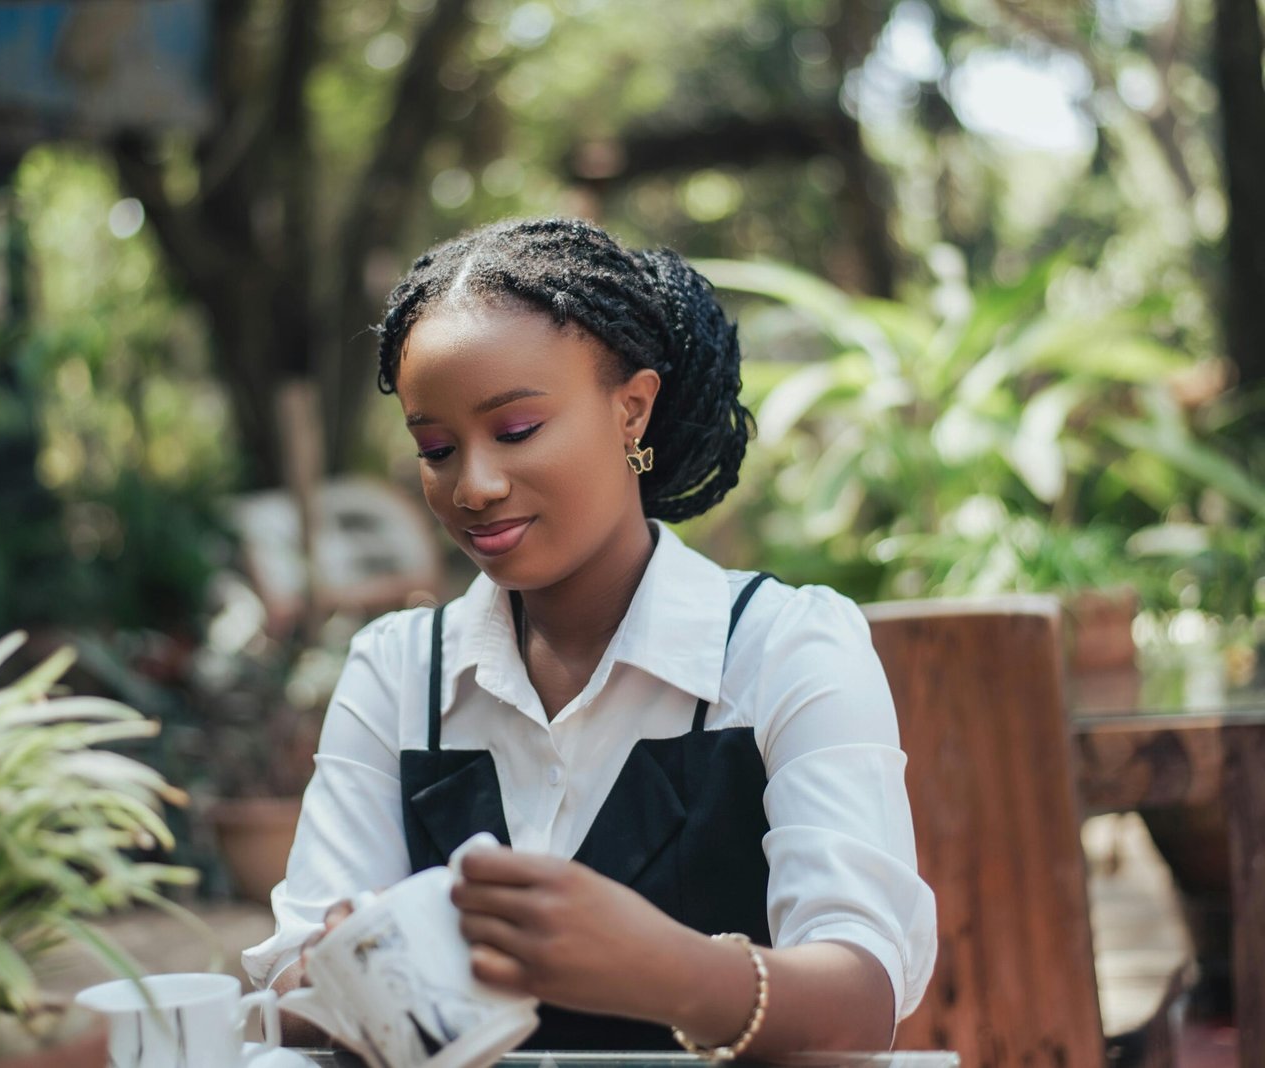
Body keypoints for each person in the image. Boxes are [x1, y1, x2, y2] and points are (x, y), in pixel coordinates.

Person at [242, 218, 936, 1057]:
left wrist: (664, 969)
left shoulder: (784, 649)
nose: (475, 485)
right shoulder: (399, 675)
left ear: (630, 409)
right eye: (435, 448)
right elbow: (296, 976)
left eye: (517, 430)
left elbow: (863, 998)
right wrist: (344, 972)